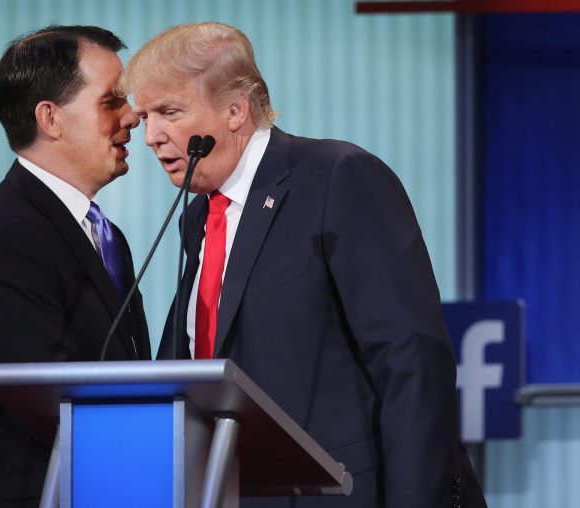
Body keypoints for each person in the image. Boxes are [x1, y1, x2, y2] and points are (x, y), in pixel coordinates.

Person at [123, 22, 486, 508]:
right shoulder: (198, 220)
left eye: (169, 111)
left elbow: (411, 360)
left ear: (236, 110)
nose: (151, 136)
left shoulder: (337, 177)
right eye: (146, 116)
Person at [0, 25, 150, 508]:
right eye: (111, 102)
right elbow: (52, 403)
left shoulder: (103, 234)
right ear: (51, 119)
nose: (133, 117)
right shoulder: (5, 239)